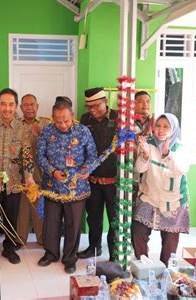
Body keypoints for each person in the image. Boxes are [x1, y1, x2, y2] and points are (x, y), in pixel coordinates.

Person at [36, 101, 97, 274]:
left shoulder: (83, 131)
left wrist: (86, 170)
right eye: (58, 121)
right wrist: (52, 171)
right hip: (52, 185)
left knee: (73, 224)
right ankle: (51, 253)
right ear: (53, 118)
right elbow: (39, 155)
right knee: (51, 223)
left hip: (76, 188)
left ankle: (70, 258)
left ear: (72, 116)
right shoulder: (48, 131)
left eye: (66, 121)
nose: (62, 125)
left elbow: (92, 155)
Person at [0, 88, 34, 268]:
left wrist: (30, 177)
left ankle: (9, 248)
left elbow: (26, 154)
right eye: (3, 104)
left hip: (14, 183)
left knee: (11, 218)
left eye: (11, 104)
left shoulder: (22, 128)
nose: (7, 108)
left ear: (16, 106)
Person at [132, 113, 190, 265]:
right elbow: (139, 168)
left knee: (170, 239)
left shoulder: (180, 148)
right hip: (149, 196)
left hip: (172, 200)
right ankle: (143, 265)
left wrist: (166, 154)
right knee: (138, 231)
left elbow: (180, 170)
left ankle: (165, 269)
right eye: (158, 125)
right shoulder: (148, 144)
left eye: (166, 127)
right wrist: (144, 155)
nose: (161, 130)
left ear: (174, 129)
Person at [78, 87, 118, 261]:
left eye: (96, 106)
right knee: (93, 217)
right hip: (92, 180)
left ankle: (114, 253)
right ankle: (94, 248)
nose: (92, 110)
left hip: (113, 181)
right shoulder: (85, 119)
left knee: (114, 219)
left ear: (106, 102)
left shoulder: (118, 119)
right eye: (89, 106)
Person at [17, 94, 50, 246]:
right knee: (23, 211)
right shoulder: (16, 124)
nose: (29, 108)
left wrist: (42, 135)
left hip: (42, 173)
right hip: (21, 175)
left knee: (40, 209)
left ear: (37, 106)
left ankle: (42, 239)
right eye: (26, 105)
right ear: (21, 107)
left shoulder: (46, 123)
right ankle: (20, 239)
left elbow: (56, 145)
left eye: (32, 105)